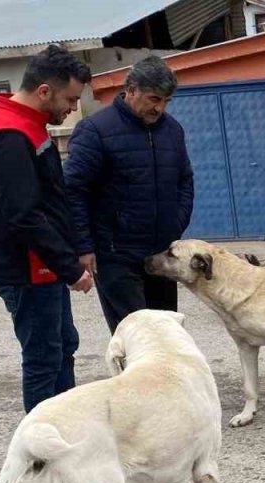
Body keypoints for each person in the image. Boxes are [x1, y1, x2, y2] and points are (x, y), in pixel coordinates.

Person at [0, 44, 95, 413]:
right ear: (44, 91)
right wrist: (69, 268)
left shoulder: (28, 125)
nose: (72, 108)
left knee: (63, 345)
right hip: (27, 269)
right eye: (70, 99)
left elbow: (50, 201)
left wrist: (73, 251)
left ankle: (65, 424)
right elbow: (24, 215)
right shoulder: (9, 135)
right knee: (44, 357)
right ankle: (43, 438)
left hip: (44, 266)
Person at [65, 55, 194, 334]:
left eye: (166, 101)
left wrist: (176, 222)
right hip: (116, 256)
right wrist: (84, 247)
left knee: (167, 334)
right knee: (136, 336)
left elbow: (184, 180)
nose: (159, 108)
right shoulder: (95, 130)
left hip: (160, 253)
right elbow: (73, 190)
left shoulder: (171, 130)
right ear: (131, 90)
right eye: (153, 99)